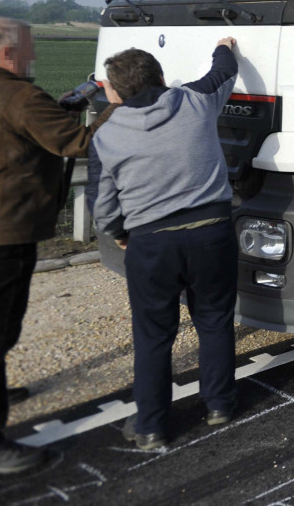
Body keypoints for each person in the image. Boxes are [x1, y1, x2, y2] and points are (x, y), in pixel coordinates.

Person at [88, 38, 240, 450]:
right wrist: (223, 46)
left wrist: (120, 233)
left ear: (113, 91)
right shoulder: (195, 101)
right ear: (159, 77)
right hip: (212, 231)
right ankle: (219, 405)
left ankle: (152, 426)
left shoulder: (105, 135)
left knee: (154, 335)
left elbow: (102, 204)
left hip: (151, 243)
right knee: (213, 319)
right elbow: (223, 72)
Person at [0, 18, 110, 476]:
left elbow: (16, 132)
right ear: (9, 54)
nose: (32, 58)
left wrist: (64, 106)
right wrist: (120, 105)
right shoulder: (18, 96)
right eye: (29, 50)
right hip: (1, 234)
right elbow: (79, 143)